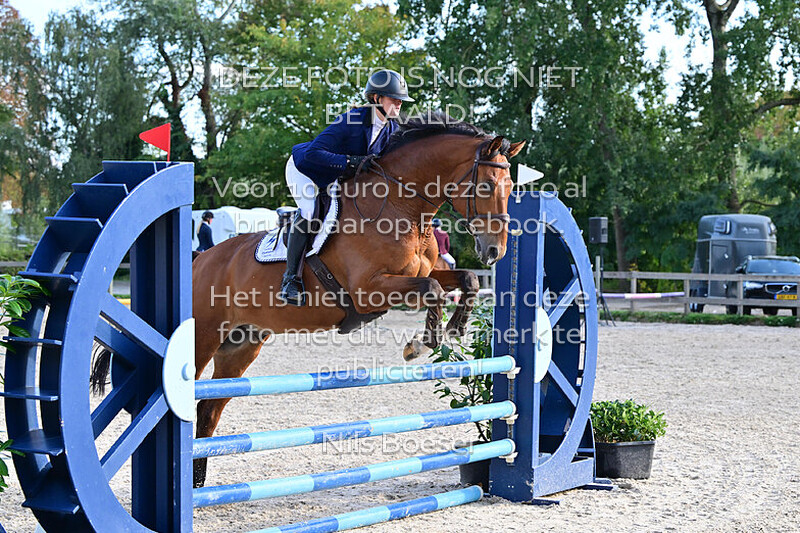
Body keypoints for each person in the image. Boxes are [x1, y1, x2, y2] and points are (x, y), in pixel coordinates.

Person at [278, 69, 414, 306]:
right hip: (306, 170)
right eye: (394, 99)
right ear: (376, 98)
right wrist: (351, 161)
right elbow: (313, 153)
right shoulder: (351, 120)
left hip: (337, 176)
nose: (399, 104)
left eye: (401, 100)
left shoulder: (391, 129)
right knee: (311, 212)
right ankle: (290, 280)